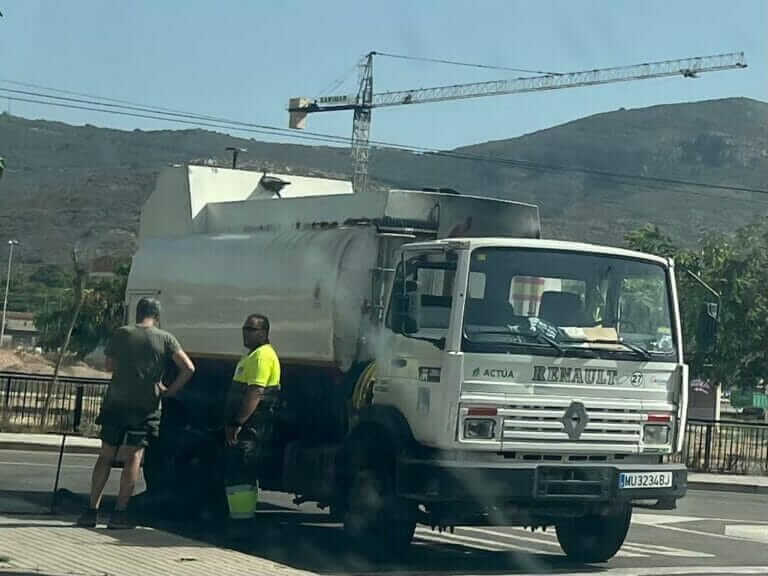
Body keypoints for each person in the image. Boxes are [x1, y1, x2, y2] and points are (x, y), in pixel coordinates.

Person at [77, 297, 195, 529]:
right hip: (146, 407)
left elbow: (109, 366)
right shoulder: (166, 338)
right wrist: (169, 391)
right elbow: (188, 368)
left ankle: (92, 510)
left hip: (116, 403)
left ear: (137, 313)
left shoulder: (122, 333)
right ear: (157, 316)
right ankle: (120, 514)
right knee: (134, 458)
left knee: (106, 456)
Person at [223, 313, 281, 520]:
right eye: (244, 329)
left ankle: (242, 520)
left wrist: (238, 422)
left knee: (243, 469)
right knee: (239, 470)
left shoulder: (263, 356)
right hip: (249, 425)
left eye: (251, 330)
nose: (245, 334)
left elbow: (255, 392)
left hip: (253, 425)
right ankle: (239, 516)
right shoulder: (252, 355)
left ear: (264, 333)